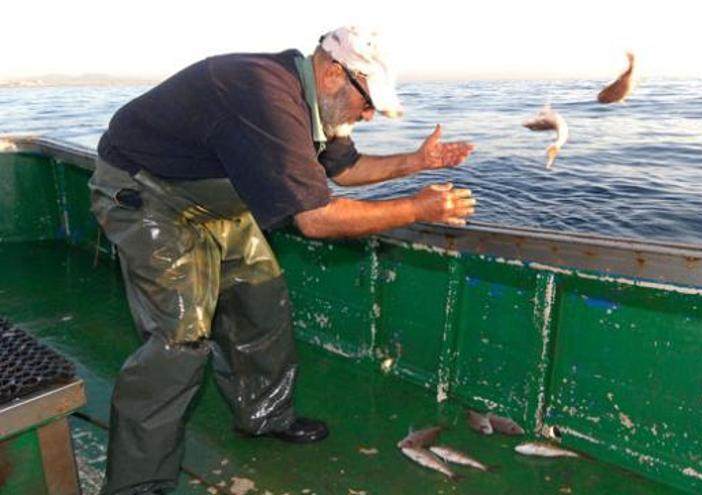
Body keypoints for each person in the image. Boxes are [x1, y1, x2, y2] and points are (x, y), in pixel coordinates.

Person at [89, 26, 476, 495]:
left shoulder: (320, 102)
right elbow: (314, 217)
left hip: (217, 202)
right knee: (179, 338)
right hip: (147, 194)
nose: (370, 114)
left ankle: (263, 414)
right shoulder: (264, 95)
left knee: (262, 299)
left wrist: (415, 162)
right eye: (368, 101)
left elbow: (346, 169)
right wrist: (417, 209)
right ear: (336, 73)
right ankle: (136, 484)